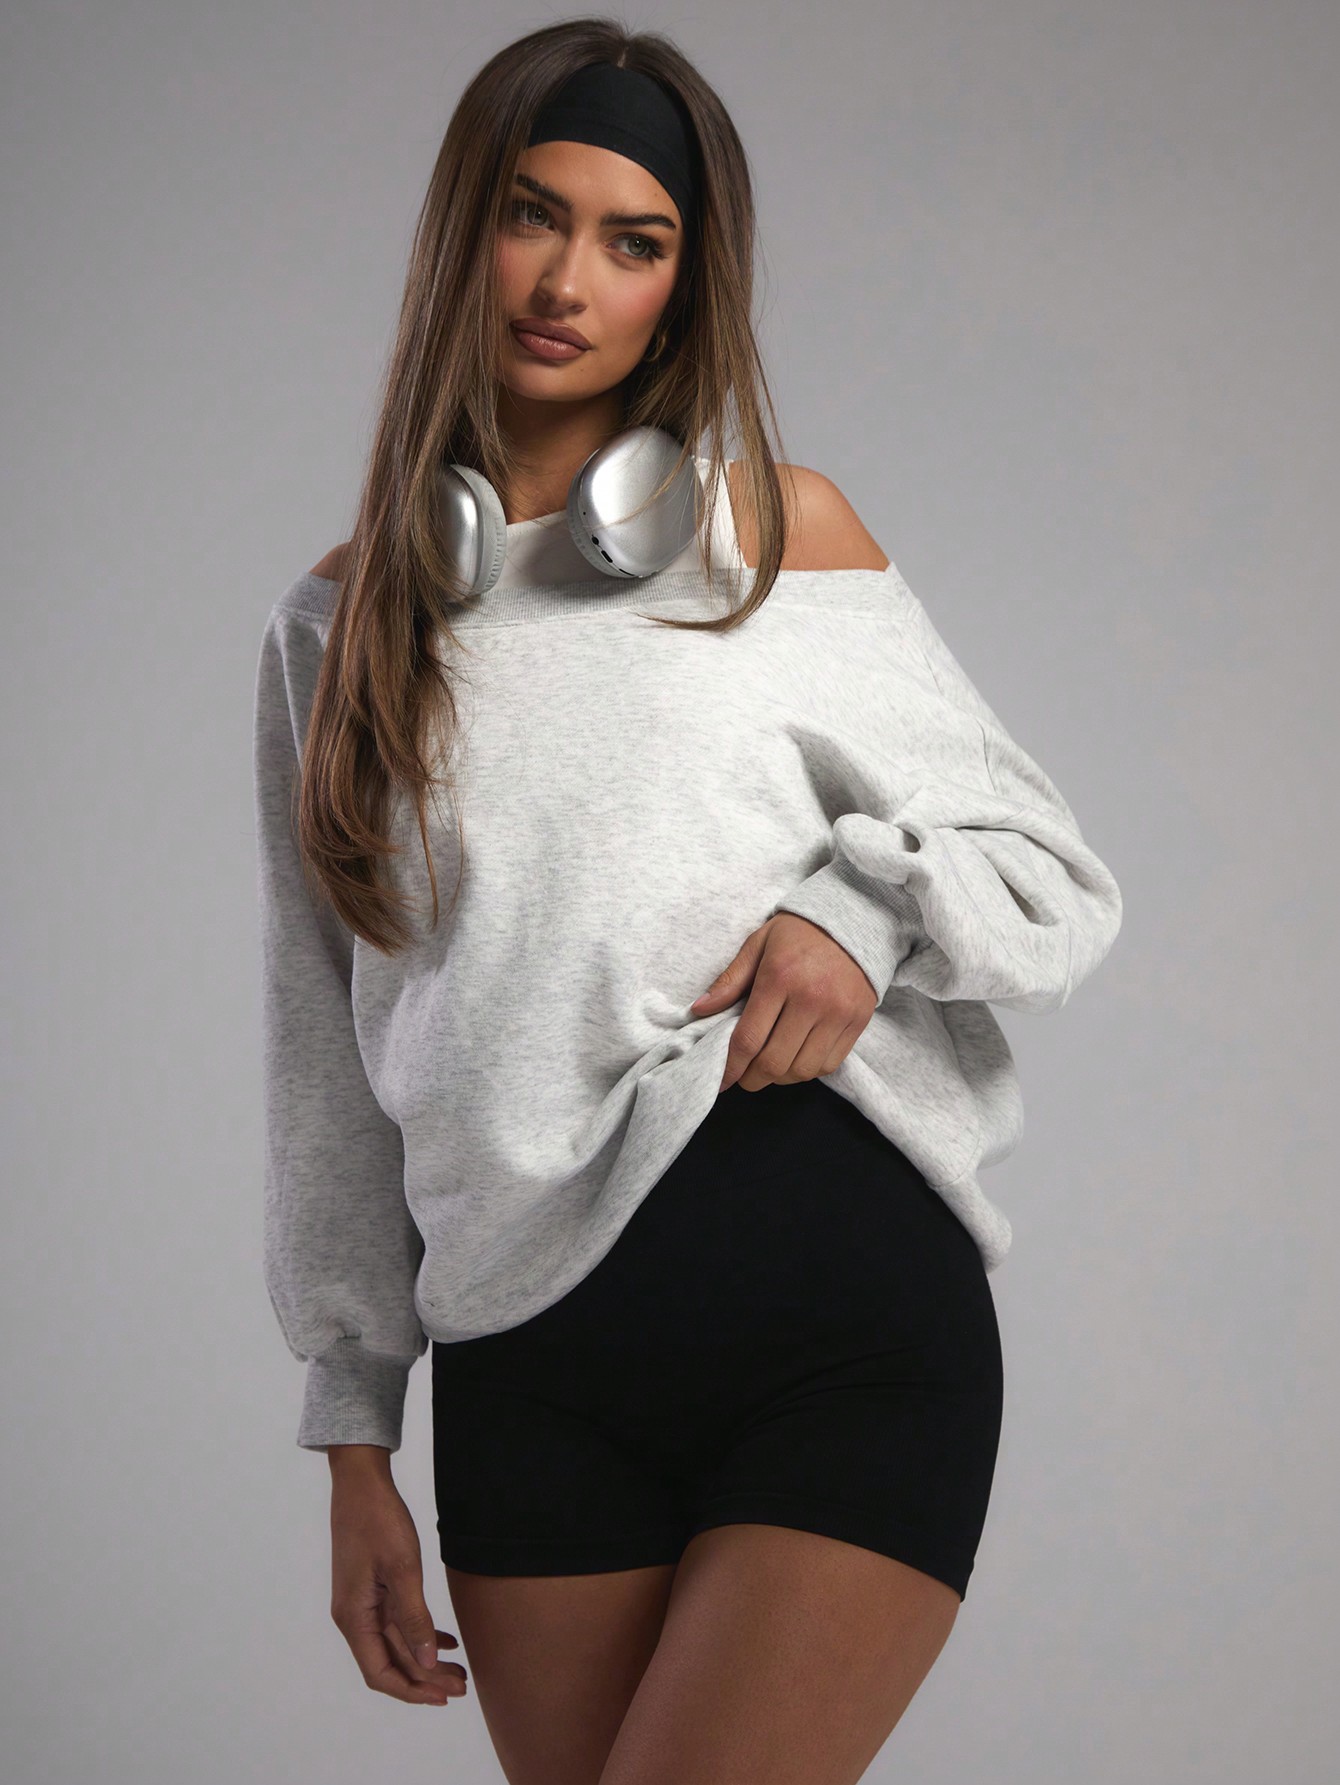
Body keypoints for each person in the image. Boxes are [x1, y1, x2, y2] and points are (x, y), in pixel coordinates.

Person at [252, 17, 1123, 1783]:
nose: (567, 280)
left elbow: (1048, 869)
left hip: (829, 1314)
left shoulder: (776, 539)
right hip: (529, 1369)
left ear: (681, 288)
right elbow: (324, 1053)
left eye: (633, 240)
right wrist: (353, 1428)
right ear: (463, 232)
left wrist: (863, 912)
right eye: (532, 214)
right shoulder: (337, 629)